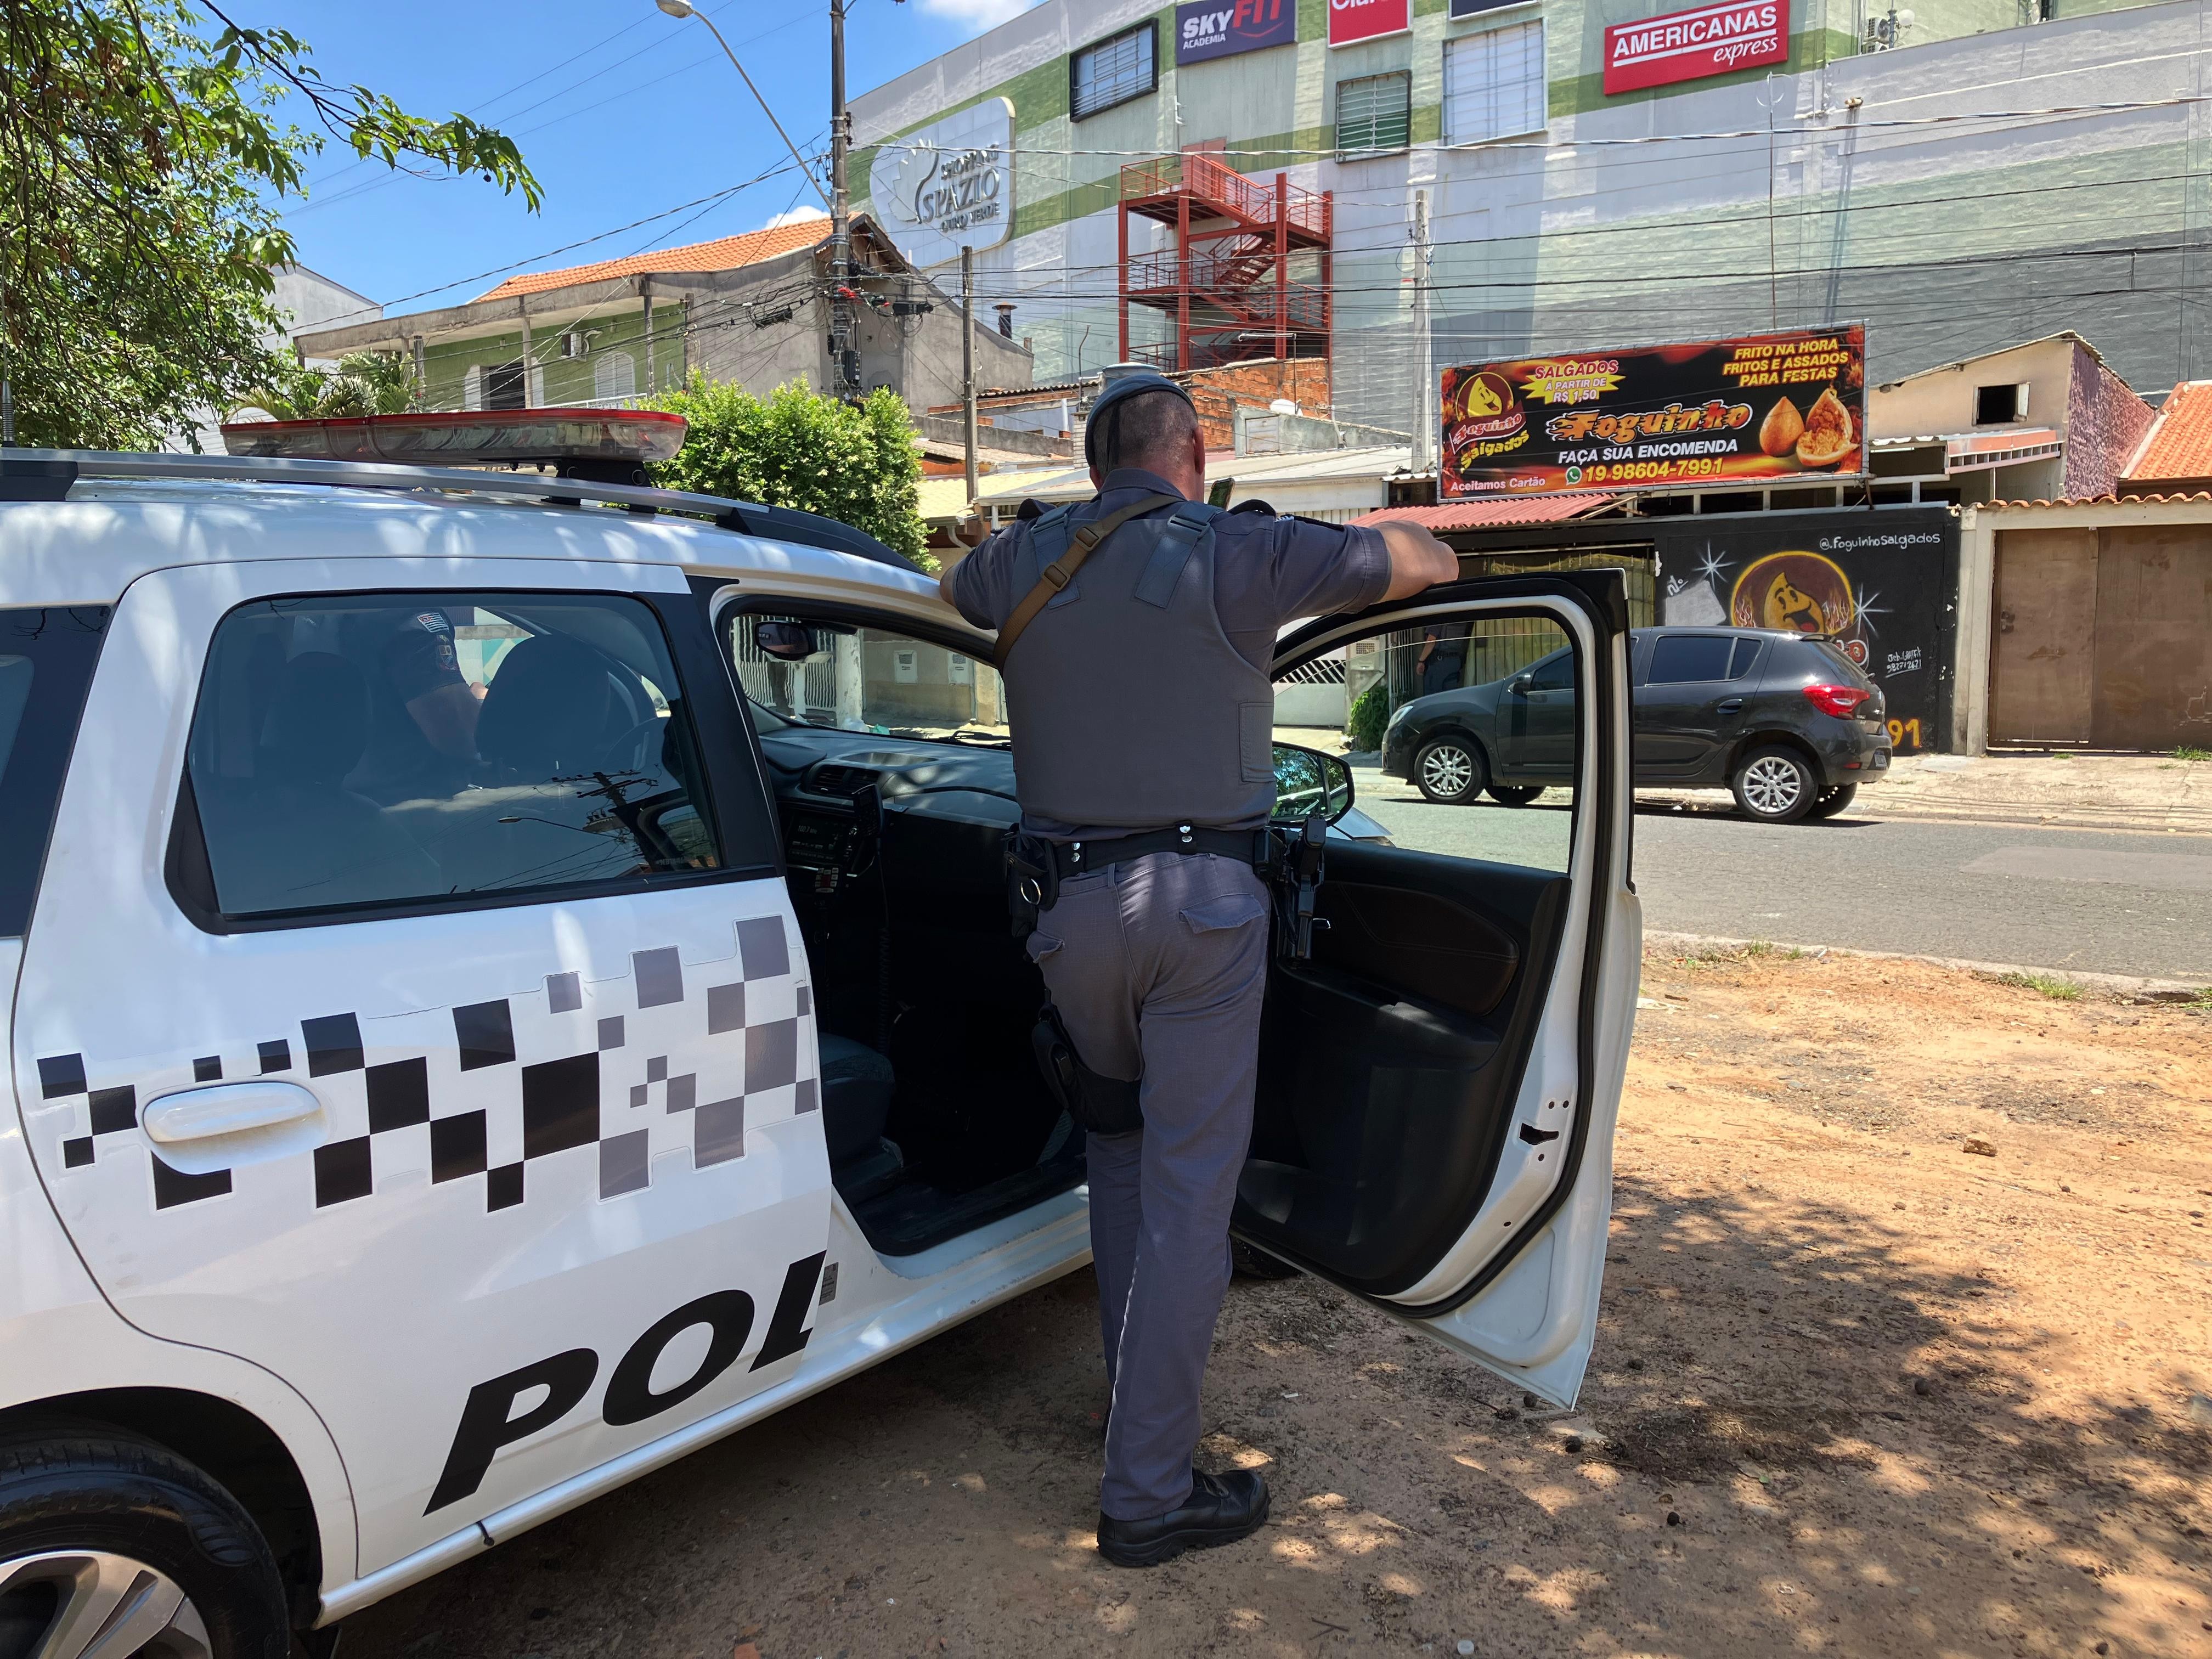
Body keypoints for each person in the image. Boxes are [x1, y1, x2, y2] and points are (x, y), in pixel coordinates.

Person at [940, 371, 1458, 1568]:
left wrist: (1024, 540)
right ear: (1198, 458)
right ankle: (1148, 1495)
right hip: (1203, 918)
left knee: (1118, 1160)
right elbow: (1427, 559)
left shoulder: (1022, 561)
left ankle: (1136, 1416)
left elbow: (945, 584)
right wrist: (1383, 527)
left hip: (1067, 916)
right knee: (1187, 1202)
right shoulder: (1244, 551)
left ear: (1090, 471)